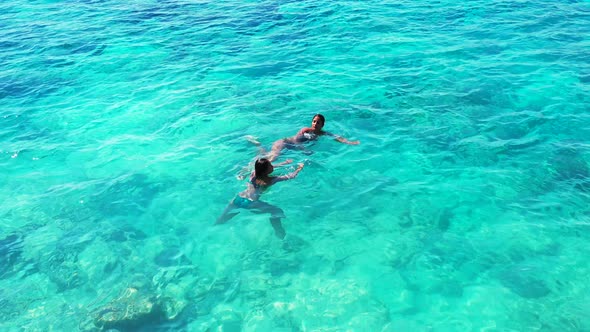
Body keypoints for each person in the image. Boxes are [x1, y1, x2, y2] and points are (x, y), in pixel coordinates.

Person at [217, 158, 304, 239]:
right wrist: (299, 168)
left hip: (238, 198)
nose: (272, 166)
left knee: (221, 218)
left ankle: (215, 228)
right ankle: (279, 232)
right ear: (266, 170)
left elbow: (269, 168)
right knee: (277, 211)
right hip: (250, 203)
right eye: (270, 165)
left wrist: (284, 163)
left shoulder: (253, 174)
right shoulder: (271, 180)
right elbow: (291, 176)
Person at [266, 114, 360, 161]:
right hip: (285, 143)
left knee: (269, 157)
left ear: (322, 125)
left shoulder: (322, 133)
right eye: (314, 121)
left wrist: (349, 142)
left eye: (318, 122)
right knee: (273, 157)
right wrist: (304, 149)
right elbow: (295, 141)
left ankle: (259, 148)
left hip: (291, 147)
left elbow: (336, 137)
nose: (315, 124)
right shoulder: (305, 130)